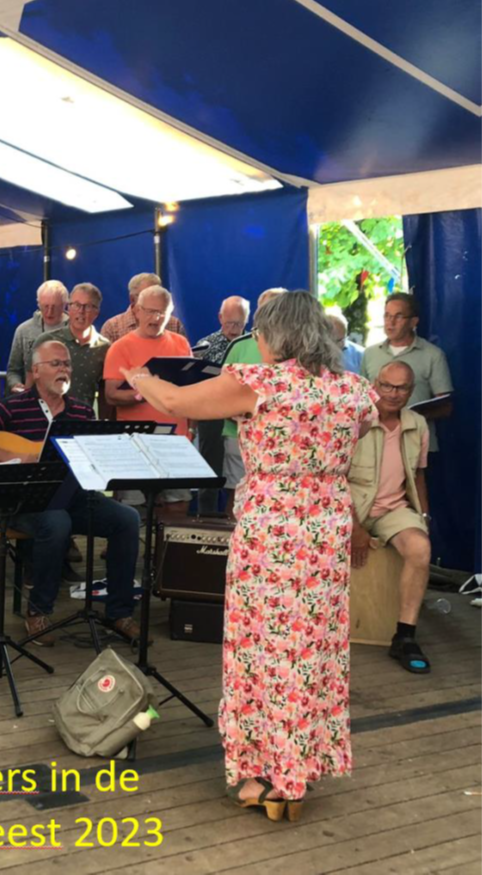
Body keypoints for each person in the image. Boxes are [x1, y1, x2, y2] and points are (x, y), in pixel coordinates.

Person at [120, 290, 376, 820]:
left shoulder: (261, 383)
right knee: (311, 651)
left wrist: (139, 376)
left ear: (274, 335)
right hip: (324, 532)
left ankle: (274, 778)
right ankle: (299, 766)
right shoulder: (353, 389)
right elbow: (360, 429)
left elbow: (176, 403)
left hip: (272, 535)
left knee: (264, 650)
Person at [0, 338, 143, 644]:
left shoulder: (82, 412)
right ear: (36, 371)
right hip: (22, 502)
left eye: (67, 364)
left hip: (71, 497)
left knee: (127, 519)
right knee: (56, 521)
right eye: (56, 364)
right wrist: (16, 457)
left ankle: (119, 612)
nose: (64, 369)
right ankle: (38, 610)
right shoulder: (11, 407)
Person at [349, 361, 434, 674]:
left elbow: (418, 475)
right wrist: (356, 527)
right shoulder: (354, 420)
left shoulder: (417, 424)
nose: (393, 393)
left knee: (420, 548)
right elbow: (334, 478)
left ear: (411, 391)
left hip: (393, 509)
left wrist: (423, 516)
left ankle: (405, 636)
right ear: (374, 385)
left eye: (401, 388)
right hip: (348, 507)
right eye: (387, 385)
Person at [103, 285, 194, 515]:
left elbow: (191, 389)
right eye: (151, 311)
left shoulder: (181, 344)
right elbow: (111, 395)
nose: (156, 318)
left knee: (178, 502)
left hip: (176, 440)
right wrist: (145, 393)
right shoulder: (120, 347)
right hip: (135, 442)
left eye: (162, 312)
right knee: (133, 508)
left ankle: (167, 542)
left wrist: (192, 429)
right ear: (137, 311)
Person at [218, 288, 287, 515]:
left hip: (283, 438)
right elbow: (222, 392)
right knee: (236, 495)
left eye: (276, 310)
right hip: (238, 434)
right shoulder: (240, 345)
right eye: (265, 310)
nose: (270, 316)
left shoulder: (299, 348)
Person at [361, 292, 453, 450]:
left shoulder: (432, 355)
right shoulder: (370, 354)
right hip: (375, 445)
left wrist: (410, 417)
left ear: (413, 322)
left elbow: (445, 406)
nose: (390, 322)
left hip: (416, 444)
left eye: (398, 316)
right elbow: (362, 398)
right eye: (387, 316)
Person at [194, 296, 250, 514]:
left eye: (239, 324)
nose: (234, 330)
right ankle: (205, 517)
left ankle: (233, 517)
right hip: (212, 416)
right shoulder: (205, 345)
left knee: (238, 477)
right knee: (209, 470)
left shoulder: (252, 345)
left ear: (247, 320)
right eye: (229, 324)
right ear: (220, 318)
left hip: (241, 419)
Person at [36, 282, 110, 411]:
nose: (81, 311)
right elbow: (30, 383)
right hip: (44, 417)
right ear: (68, 308)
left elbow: (105, 396)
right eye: (76, 305)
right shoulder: (46, 340)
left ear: (96, 312)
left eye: (87, 306)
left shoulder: (105, 348)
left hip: (83, 418)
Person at [4, 280, 68, 392]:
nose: (49, 312)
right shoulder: (24, 331)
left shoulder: (74, 330)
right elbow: (13, 370)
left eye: (54, 307)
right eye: (45, 306)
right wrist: (16, 384)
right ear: (38, 304)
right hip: (32, 396)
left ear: (64, 305)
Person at [100, 272, 187, 342]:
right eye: (147, 295)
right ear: (132, 299)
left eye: (158, 294)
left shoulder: (175, 324)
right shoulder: (112, 327)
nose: (154, 300)